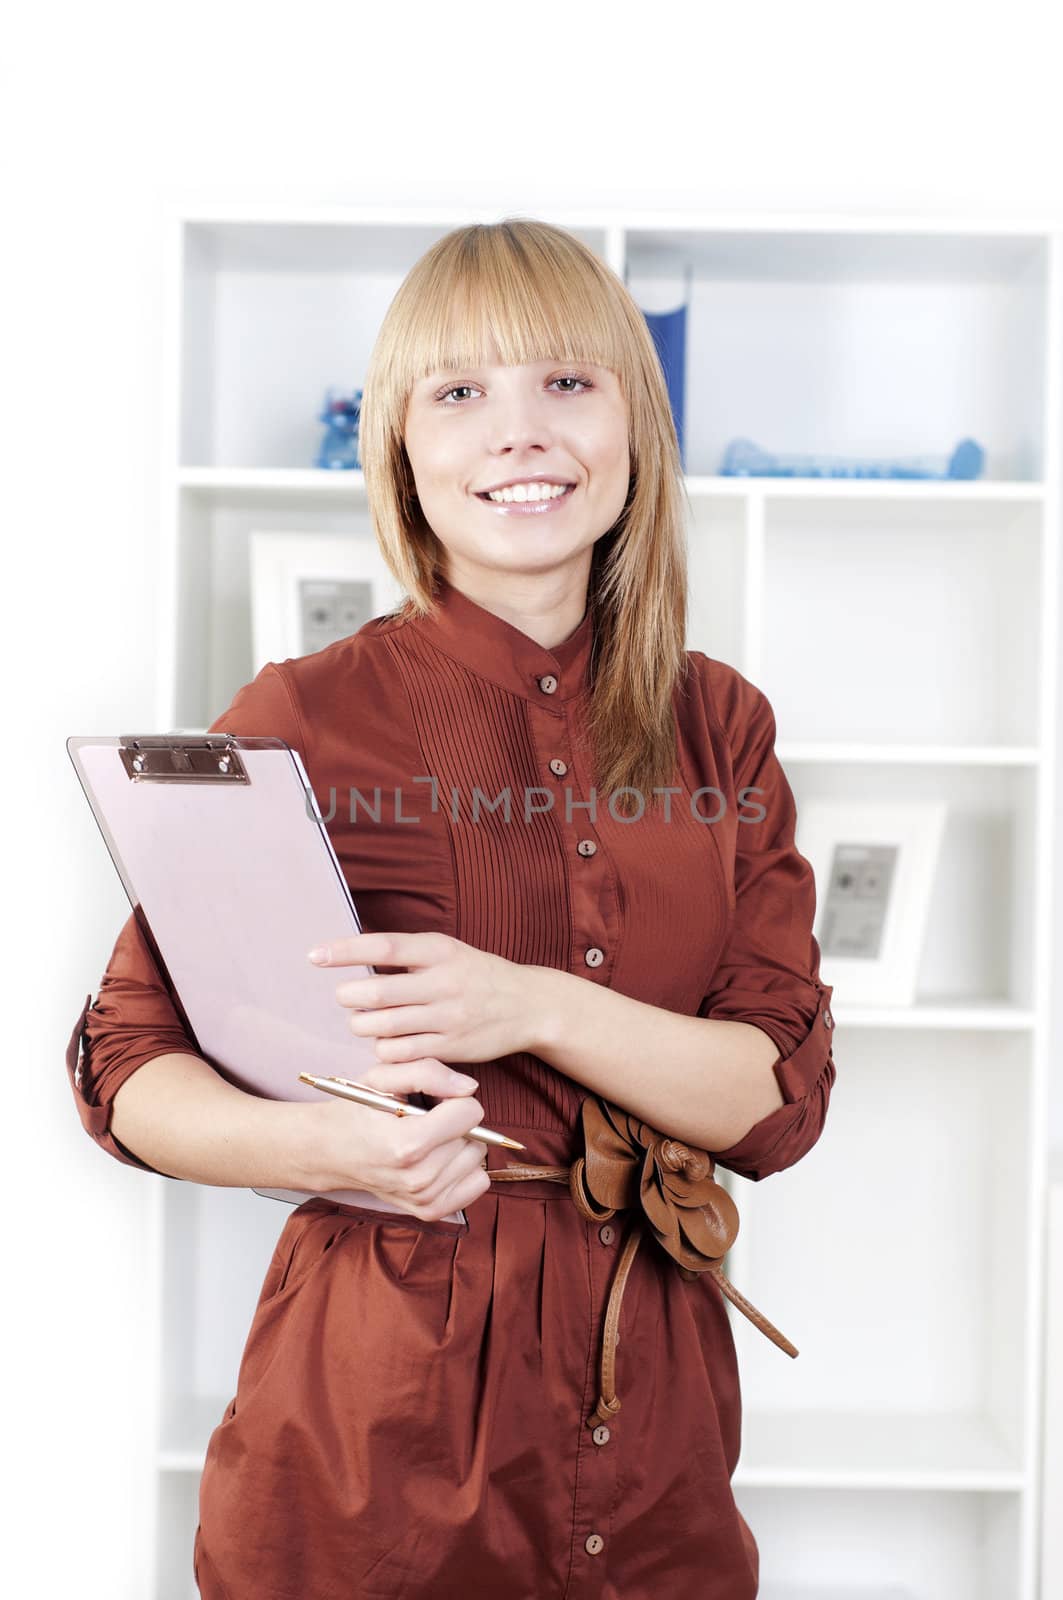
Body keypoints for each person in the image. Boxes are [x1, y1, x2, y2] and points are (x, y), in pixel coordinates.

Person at [66, 217, 837, 1599]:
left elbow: (777, 1097)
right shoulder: (303, 717)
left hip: (657, 1427)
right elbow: (125, 1068)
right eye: (461, 393)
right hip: (371, 1439)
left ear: (633, 425)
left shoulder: (720, 725)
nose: (521, 435)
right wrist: (333, 1151)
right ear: (404, 449)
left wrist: (529, 1001)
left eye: (568, 384)